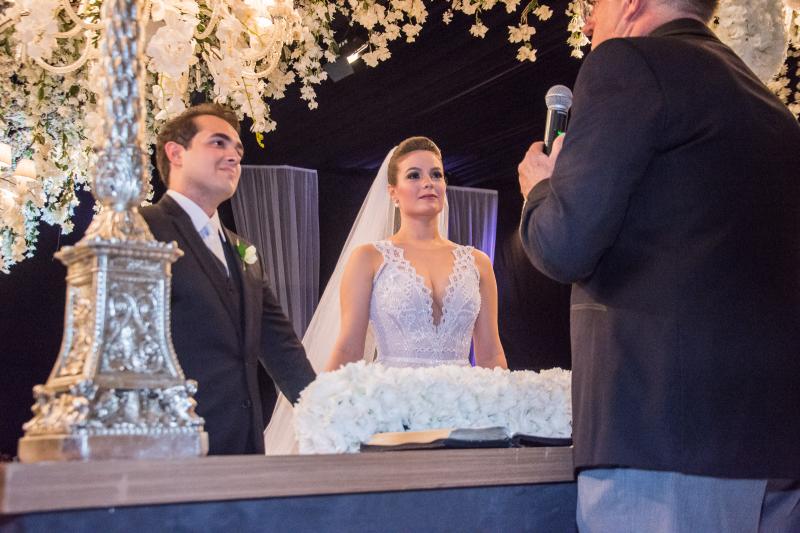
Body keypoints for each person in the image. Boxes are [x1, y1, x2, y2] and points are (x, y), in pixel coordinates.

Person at [517, 0, 800, 530]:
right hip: (774, 447)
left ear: (630, 3)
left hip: (664, 440)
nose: (587, 23)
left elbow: (562, 244)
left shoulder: (629, 62)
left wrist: (540, 190)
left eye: (593, 6)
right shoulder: (771, 108)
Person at [264, 137, 507, 454]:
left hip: (464, 409)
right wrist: (322, 411)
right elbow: (349, 348)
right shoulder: (369, 258)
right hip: (393, 410)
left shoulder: (477, 262)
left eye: (436, 174)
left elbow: (490, 354)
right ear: (393, 192)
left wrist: (506, 411)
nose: (428, 183)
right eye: (414, 175)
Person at [141, 103, 316, 455]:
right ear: (176, 153)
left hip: (243, 446)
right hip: (169, 446)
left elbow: (281, 348)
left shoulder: (243, 250)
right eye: (218, 143)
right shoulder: (143, 228)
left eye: (238, 149)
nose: (234, 156)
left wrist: (330, 415)